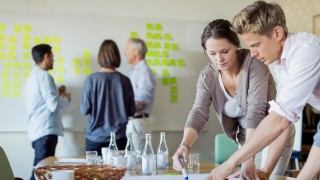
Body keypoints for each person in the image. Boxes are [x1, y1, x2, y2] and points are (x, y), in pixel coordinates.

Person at [208, 1, 320, 179]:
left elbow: (280, 121)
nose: (252, 53)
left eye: (255, 45)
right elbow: (283, 120)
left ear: (277, 33)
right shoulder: (278, 61)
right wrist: (265, 172)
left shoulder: (306, 50)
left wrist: (231, 163)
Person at [172, 19, 295, 179]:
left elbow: (255, 111)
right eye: (212, 54)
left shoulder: (253, 63)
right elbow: (199, 112)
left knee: (268, 177)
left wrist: (248, 157)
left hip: (276, 132)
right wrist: (185, 145)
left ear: (236, 45)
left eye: (224, 51)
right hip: (248, 140)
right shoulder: (207, 76)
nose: (219, 59)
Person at [24, 44, 71, 180]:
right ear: (46, 56)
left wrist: (57, 92)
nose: (53, 60)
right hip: (46, 131)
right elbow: (53, 105)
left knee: (40, 172)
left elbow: (42, 103)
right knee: (40, 173)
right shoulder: (45, 76)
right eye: (52, 56)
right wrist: (67, 99)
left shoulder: (32, 77)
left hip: (37, 131)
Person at [81, 39, 135, 155]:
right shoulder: (125, 81)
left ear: (100, 56)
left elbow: (85, 109)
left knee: (93, 173)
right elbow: (131, 111)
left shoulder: (91, 80)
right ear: (117, 56)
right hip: (119, 138)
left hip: (94, 138)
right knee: (117, 172)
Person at [125, 38, 156, 151]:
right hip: (133, 122)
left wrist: (121, 106)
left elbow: (142, 103)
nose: (125, 53)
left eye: (127, 49)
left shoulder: (144, 72)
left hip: (138, 123)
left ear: (136, 52)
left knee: (139, 162)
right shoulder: (135, 71)